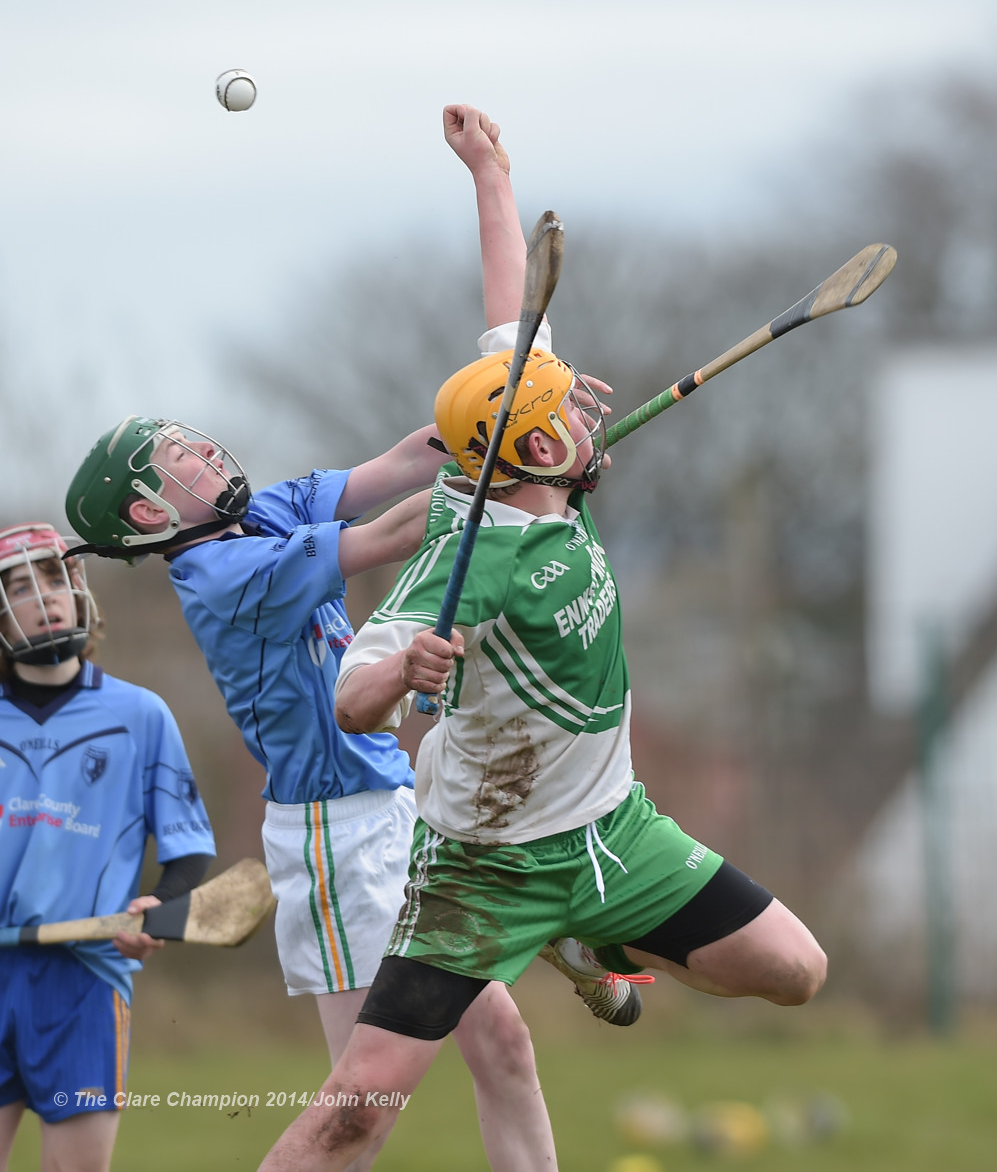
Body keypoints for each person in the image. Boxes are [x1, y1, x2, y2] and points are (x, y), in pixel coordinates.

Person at [62, 106, 654, 1172]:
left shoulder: (264, 513)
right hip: (332, 835)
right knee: (354, 1117)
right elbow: (398, 526)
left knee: (506, 1051)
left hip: (396, 800)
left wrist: (527, 405)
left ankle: (557, 909)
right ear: (151, 520)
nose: (201, 455)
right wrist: (524, 469)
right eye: (174, 466)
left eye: (190, 444)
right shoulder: (225, 572)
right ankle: (565, 914)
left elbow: (419, 453)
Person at [247, 189, 829, 1172]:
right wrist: (403, 672)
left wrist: (492, 174)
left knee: (795, 973)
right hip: (479, 875)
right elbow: (350, 697)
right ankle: (559, 937)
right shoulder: (469, 551)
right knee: (352, 1117)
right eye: (563, 409)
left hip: (613, 830)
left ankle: (589, 943)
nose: (583, 411)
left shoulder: (553, 475)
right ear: (532, 445)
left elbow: (514, 327)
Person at [0, 522, 216, 1172]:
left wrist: (160, 913)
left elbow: (187, 851)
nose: (45, 595)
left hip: (86, 982)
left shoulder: (140, 714)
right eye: (19, 585)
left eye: (55, 577)